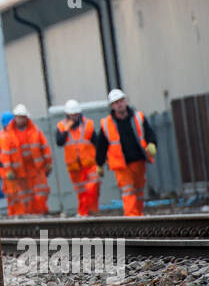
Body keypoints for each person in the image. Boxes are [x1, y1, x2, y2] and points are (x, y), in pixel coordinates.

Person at [95, 88, 157, 216]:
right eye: (116, 102)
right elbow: (102, 145)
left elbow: (149, 133)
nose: (120, 104)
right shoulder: (107, 124)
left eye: (121, 101)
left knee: (139, 191)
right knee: (128, 191)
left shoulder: (138, 117)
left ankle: (138, 215)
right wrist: (99, 163)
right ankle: (132, 217)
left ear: (125, 101)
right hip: (121, 165)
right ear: (112, 106)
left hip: (138, 160)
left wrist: (152, 143)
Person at [0, 104, 52, 215]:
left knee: (40, 196)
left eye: (23, 117)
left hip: (36, 170)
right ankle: (32, 223)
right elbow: (6, 154)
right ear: (15, 118)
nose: (21, 120)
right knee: (25, 199)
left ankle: (42, 223)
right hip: (20, 173)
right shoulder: (9, 135)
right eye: (18, 117)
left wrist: (48, 164)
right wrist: (8, 170)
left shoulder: (35, 131)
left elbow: (45, 148)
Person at [56, 99, 100, 216]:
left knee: (92, 187)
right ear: (67, 114)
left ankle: (90, 210)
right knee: (81, 192)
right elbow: (59, 142)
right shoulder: (61, 126)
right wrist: (66, 130)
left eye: (76, 114)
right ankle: (85, 212)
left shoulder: (88, 124)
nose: (74, 117)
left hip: (89, 163)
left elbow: (96, 142)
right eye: (72, 114)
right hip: (74, 166)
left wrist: (100, 160)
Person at [0, 111, 22, 215]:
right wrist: (3, 168)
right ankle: (16, 215)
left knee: (15, 195)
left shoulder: (13, 135)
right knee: (13, 195)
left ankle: (17, 215)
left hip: (16, 171)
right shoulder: (1, 138)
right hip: (8, 173)